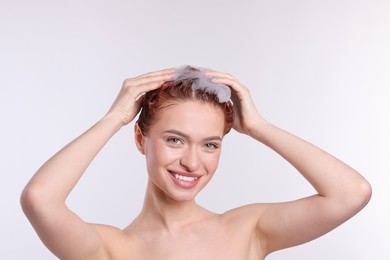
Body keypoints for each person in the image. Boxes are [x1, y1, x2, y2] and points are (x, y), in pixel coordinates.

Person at [21, 66, 372, 260]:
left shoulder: (249, 230)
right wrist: (113, 119)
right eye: (175, 140)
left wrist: (258, 127)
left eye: (210, 144)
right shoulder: (112, 250)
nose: (192, 162)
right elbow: (40, 199)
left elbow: (351, 193)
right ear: (141, 140)